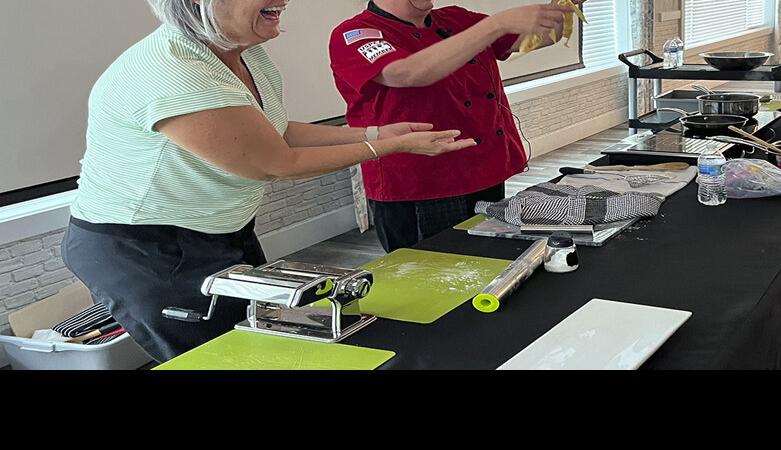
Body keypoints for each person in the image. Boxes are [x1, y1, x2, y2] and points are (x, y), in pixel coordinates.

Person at [62, 0, 475, 362]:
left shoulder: (245, 54)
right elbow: (276, 162)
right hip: (145, 247)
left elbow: (271, 130)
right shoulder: (173, 71)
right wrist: (386, 149)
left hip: (218, 231)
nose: (283, 0)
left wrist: (375, 133)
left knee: (261, 335)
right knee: (219, 354)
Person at [330, 0, 586, 252]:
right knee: (434, 275)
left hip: (483, 169)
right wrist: (497, 24)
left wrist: (562, 9)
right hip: (420, 186)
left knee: (489, 260)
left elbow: (541, 38)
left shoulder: (457, 19)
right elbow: (407, 73)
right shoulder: (355, 34)